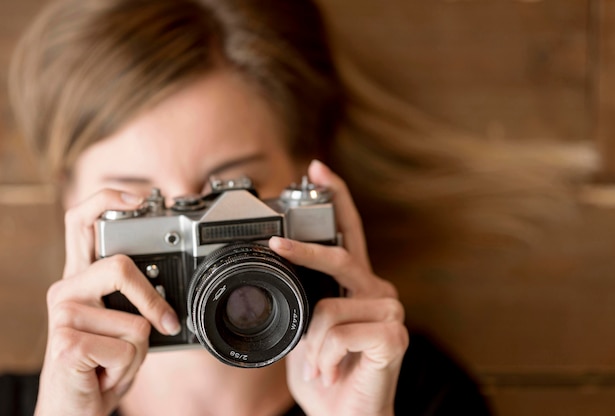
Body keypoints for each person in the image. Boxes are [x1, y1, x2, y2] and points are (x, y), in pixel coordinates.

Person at [3, 0, 493, 414]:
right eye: (138, 202)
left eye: (231, 187)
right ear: (72, 204)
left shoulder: (415, 390)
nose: (194, 233)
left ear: (308, 177)